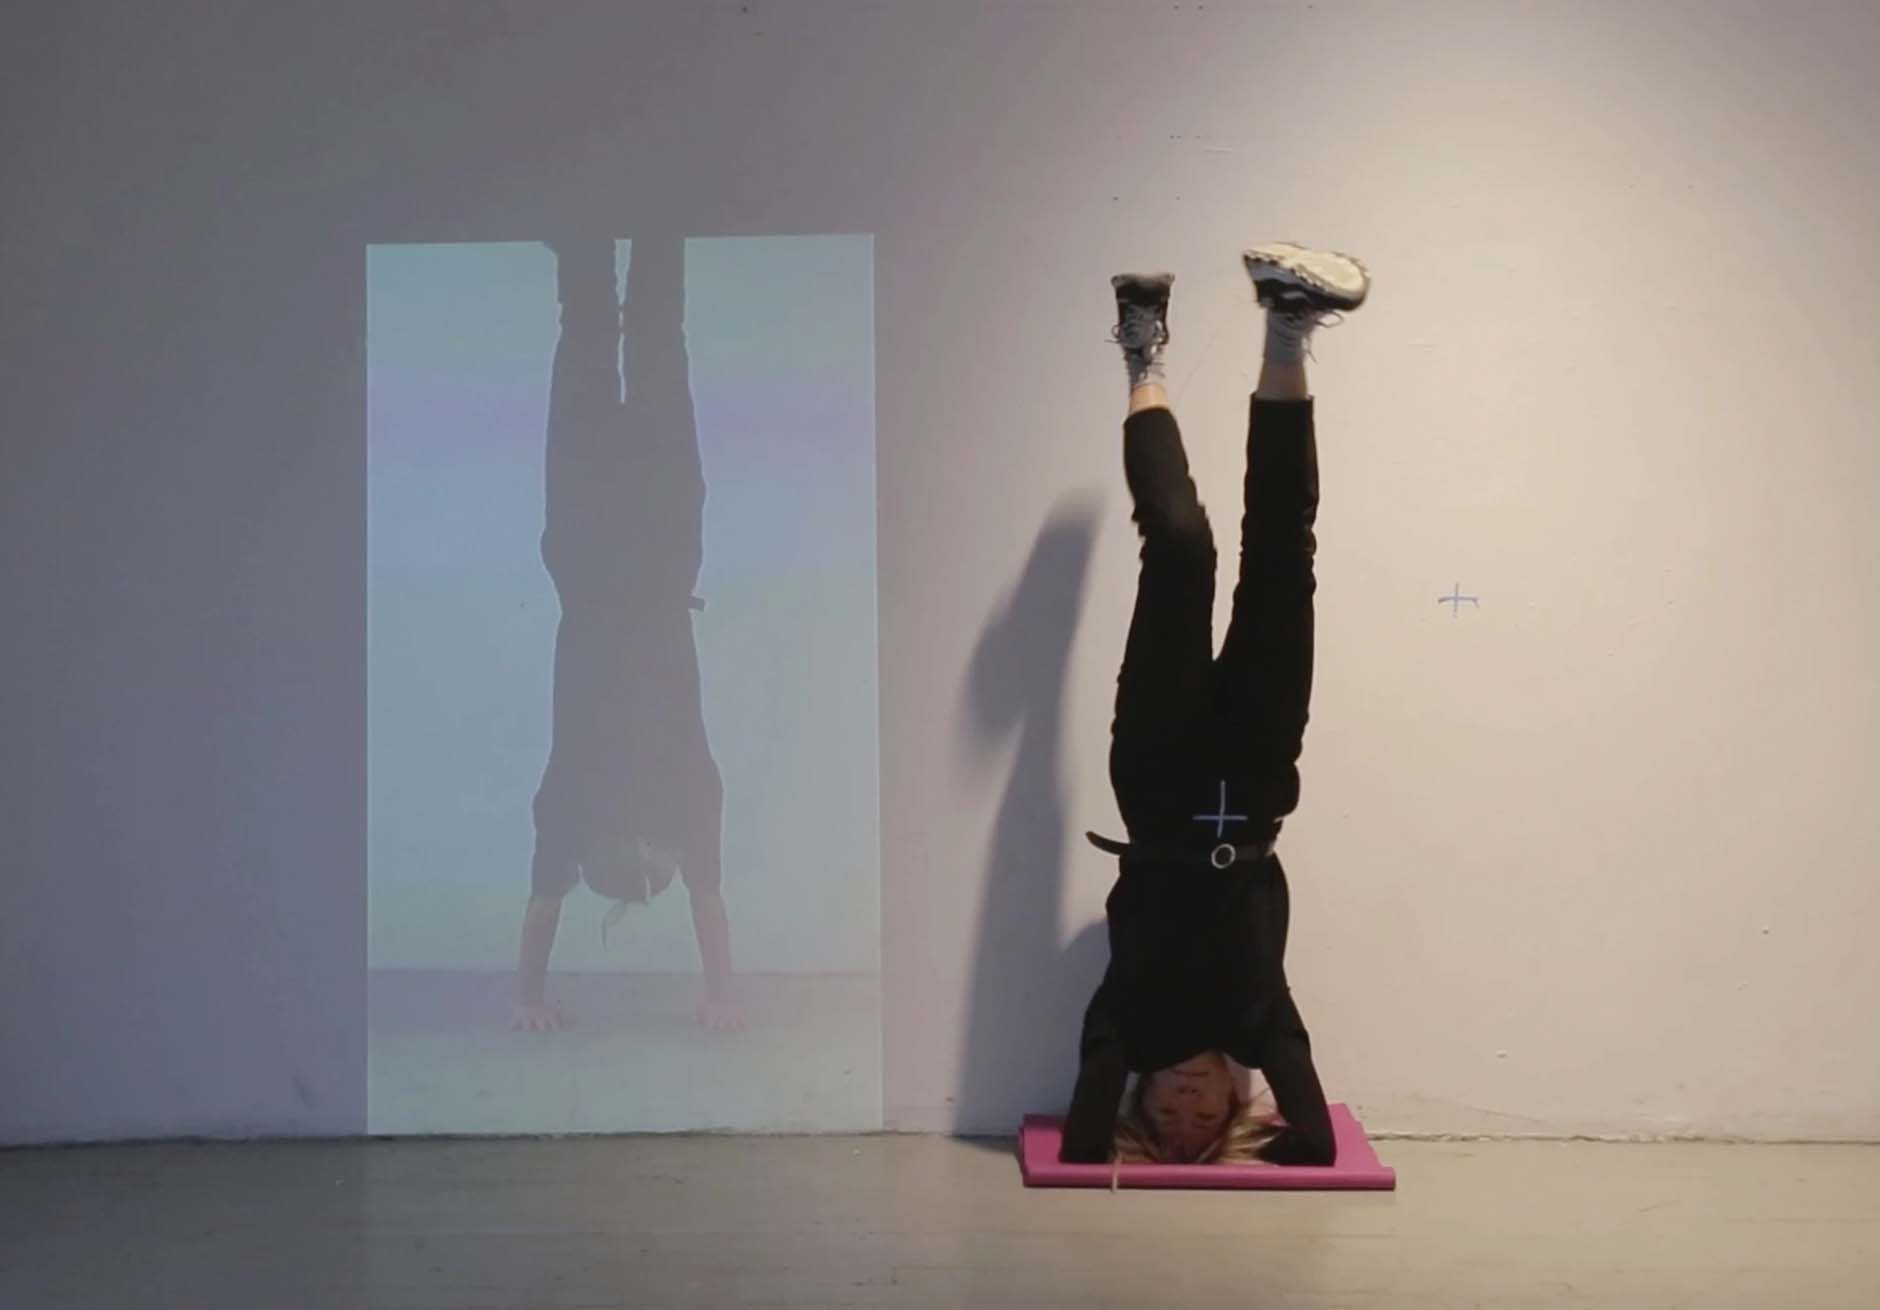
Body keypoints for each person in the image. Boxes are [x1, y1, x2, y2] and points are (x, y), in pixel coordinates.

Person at [1059, 242, 1369, 1165]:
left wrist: (1129, 1147)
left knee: (1181, 548)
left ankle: (1143, 356)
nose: (1188, 1110)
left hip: (1158, 784)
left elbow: (1084, 1143)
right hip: (1258, 777)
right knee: (1283, 554)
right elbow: (1316, 1146)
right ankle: (1287, 325)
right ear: (1240, 1101)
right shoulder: (1259, 1022)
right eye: (1207, 1126)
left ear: (1143, 1098)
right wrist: (1256, 1151)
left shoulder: (1128, 1024)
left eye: (1169, 1123)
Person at [512, 235, 739, 1034]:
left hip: (644, 551)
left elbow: (703, 897)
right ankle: (618, 236)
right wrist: (527, 998)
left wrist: (723, 995)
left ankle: (648, 234)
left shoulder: (658, 807)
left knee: (646, 355)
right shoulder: (580, 812)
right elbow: (549, 901)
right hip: (602, 553)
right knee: (606, 353)